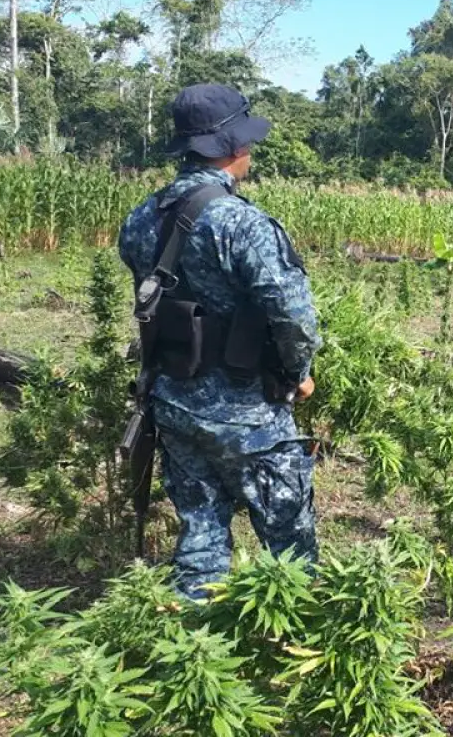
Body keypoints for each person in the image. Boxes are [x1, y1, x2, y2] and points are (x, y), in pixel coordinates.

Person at [118, 83, 323, 599]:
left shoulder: (144, 217)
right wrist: (299, 373)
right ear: (233, 148)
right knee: (289, 541)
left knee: (201, 531)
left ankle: (193, 637)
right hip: (246, 408)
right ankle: (293, 642)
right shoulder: (242, 223)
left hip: (174, 396)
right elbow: (293, 314)